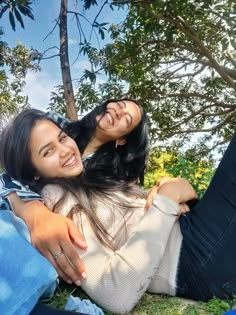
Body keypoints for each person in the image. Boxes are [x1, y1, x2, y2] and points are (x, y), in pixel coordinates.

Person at [3, 106, 236, 314]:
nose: (64, 150)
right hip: (193, 259)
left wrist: (171, 191)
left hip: (197, 235)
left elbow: (180, 192)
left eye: (63, 138)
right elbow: (116, 293)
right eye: (47, 151)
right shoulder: (55, 198)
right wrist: (165, 202)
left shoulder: (97, 175)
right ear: (32, 172)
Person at [0, 99, 146, 285]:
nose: (119, 112)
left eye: (127, 119)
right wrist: (34, 212)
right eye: (119, 105)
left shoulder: (112, 174)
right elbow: (11, 170)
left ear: (123, 139)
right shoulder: (55, 125)